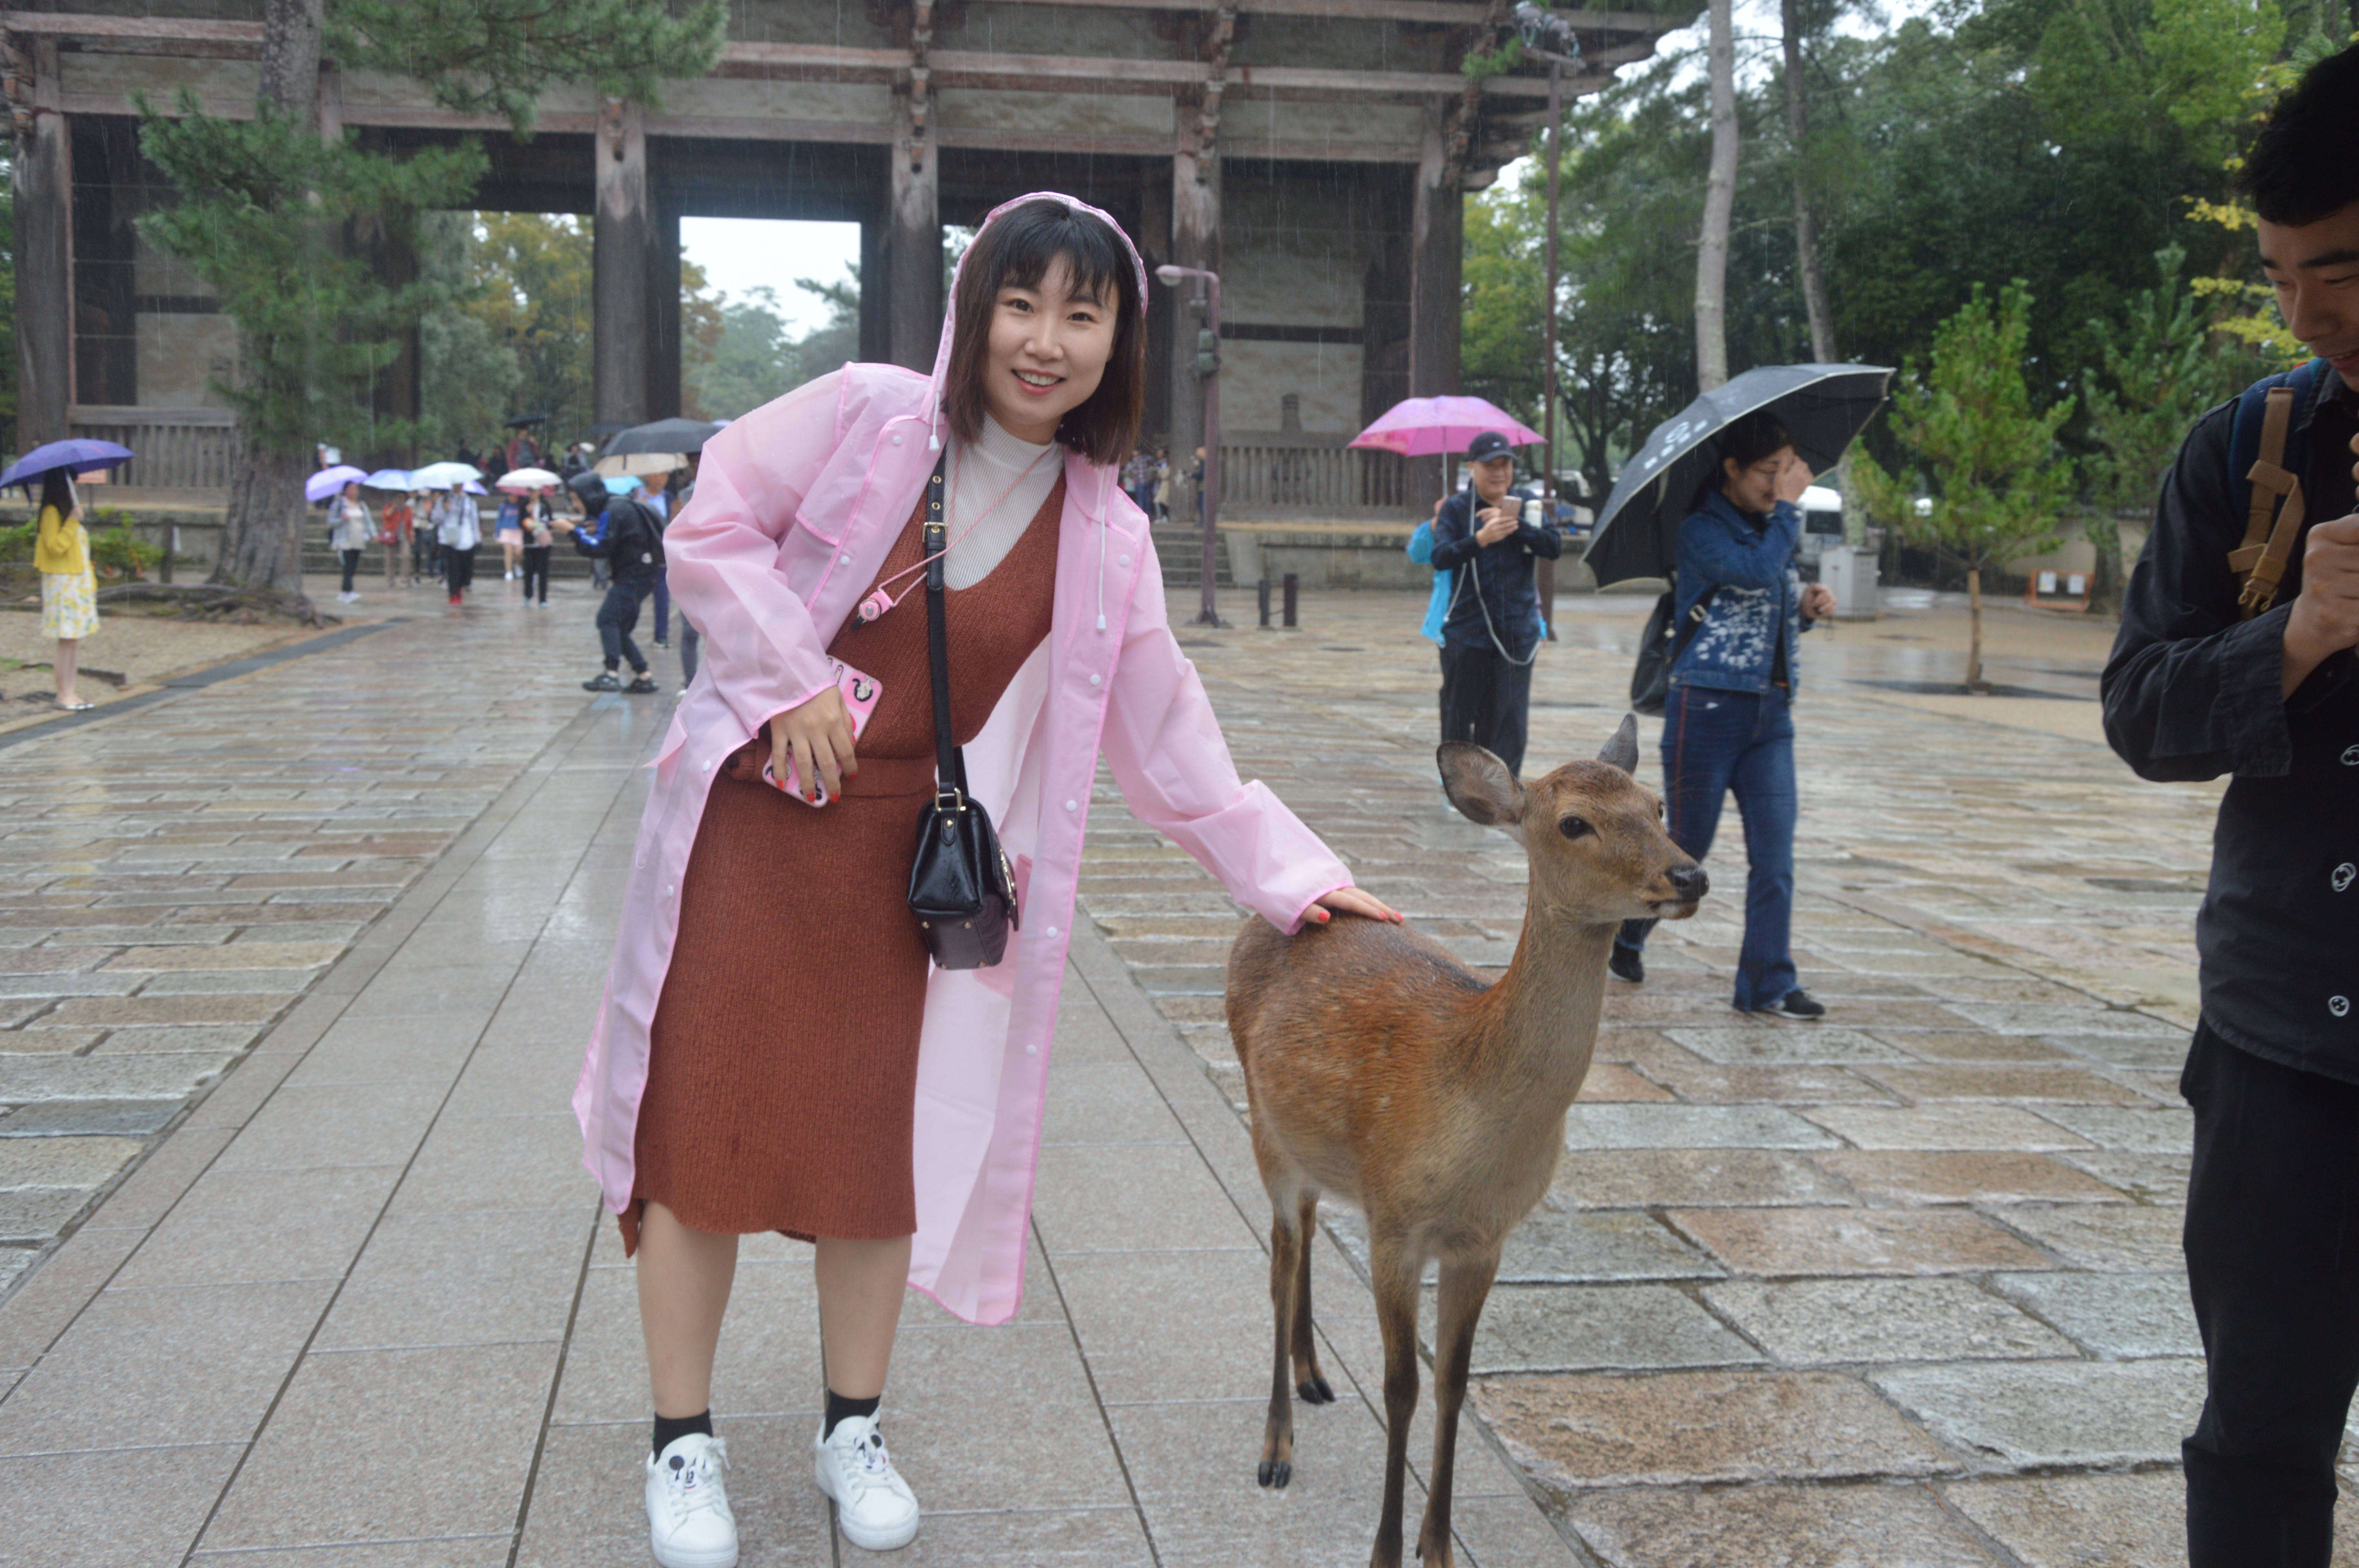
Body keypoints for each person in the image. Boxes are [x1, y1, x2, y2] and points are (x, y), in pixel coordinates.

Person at [572, 193, 1398, 1568]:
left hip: (910, 873)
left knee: (874, 1163)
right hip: (753, 838)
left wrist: (1296, 879)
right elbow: (712, 521)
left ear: (1117, 343)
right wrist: (784, 676)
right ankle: (682, 1442)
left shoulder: (1105, 533)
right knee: (696, 1144)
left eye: (1082, 314)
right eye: (1020, 304)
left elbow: (1169, 737)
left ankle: (852, 1429)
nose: (1044, 340)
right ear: (974, 314)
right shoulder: (867, 415)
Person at [2100, 43, 2359, 1568]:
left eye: (2339, 271)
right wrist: (2298, 637)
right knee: (2256, 1442)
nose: (2304, 315)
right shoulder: (2245, 453)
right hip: (2277, 1044)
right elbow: (2137, 710)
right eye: (2276, 276)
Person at [1607, 410, 1834, 1019]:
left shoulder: (1771, 526)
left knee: (1776, 857)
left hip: (1772, 717)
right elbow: (1752, 573)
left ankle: (1767, 983)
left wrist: (1805, 609)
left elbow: (1764, 603)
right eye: (1768, 471)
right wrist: (1789, 513)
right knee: (1686, 849)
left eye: (1786, 471)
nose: (1779, 484)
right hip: (1706, 711)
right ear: (1732, 469)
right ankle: (1629, 931)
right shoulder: (1701, 530)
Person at [1427, 430, 1563, 779]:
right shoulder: (1457, 508)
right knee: (1459, 712)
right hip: (1467, 630)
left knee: (1509, 717)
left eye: (1506, 465)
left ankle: (1503, 791)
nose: (1499, 473)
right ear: (1472, 467)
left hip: (1516, 630)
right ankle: (1460, 785)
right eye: (1490, 466)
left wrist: (1517, 527)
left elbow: (1554, 546)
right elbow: (1440, 556)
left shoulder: (1526, 503)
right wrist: (1480, 540)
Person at [553, 473, 662, 693]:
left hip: (635, 575)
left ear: (589, 495)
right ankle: (644, 676)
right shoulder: (616, 507)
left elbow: (600, 547)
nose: (576, 505)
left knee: (607, 619)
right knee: (617, 627)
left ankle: (611, 674)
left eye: (577, 499)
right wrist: (588, 528)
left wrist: (573, 532)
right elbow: (609, 537)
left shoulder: (614, 510)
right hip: (641, 573)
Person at [33, 471, 98, 711]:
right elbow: (55, 547)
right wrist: (72, 521)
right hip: (62, 584)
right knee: (66, 638)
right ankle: (63, 693)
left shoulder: (68, 513)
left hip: (77, 582)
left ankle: (71, 691)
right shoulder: (52, 513)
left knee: (74, 640)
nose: (76, 488)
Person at [433, 483, 481, 606]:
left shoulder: (469, 501)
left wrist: (477, 537)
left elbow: (474, 519)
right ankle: (454, 594)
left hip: (466, 538)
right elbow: (435, 519)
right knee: (453, 568)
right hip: (449, 538)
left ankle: (460, 587)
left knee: (465, 568)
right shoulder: (443, 500)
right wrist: (444, 510)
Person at [327, 481, 373, 604]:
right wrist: (341, 519)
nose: (354, 492)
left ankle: (348, 590)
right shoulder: (340, 504)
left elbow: (367, 520)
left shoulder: (361, 505)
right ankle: (346, 591)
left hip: (358, 540)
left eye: (356, 489)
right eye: (351, 489)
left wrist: (373, 534)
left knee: (353, 566)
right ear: (345, 491)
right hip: (345, 540)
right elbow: (331, 521)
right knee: (347, 566)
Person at [519, 488, 555, 607]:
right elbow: (520, 522)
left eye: (535, 491)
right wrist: (528, 514)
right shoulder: (524, 505)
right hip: (530, 543)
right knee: (529, 570)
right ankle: (528, 595)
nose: (533, 494)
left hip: (543, 543)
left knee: (543, 571)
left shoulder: (545, 505)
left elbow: (550, 521)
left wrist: (540, 526)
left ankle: (543, 599)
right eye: (530, 491)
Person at [379, 490, 414, 590]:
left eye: (403, 498)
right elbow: (385, 516)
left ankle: (405, 579)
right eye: (399, 497)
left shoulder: (407, 509)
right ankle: (390, 580)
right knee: (390, 559)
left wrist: (412, 535)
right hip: (391, 536)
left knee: (406, 557)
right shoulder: (389, 506)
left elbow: (410, 523)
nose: (401, 500)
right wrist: (394, 507)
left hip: (404, 536)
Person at [494, 488, 525, 581]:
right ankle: (509, 572)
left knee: (518, 552)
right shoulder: (504, 506)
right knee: (508, 552)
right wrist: (498, 533)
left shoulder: (521, 506)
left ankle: (518, 565)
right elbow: (499, 519)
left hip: (518, 530)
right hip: (506, 530)